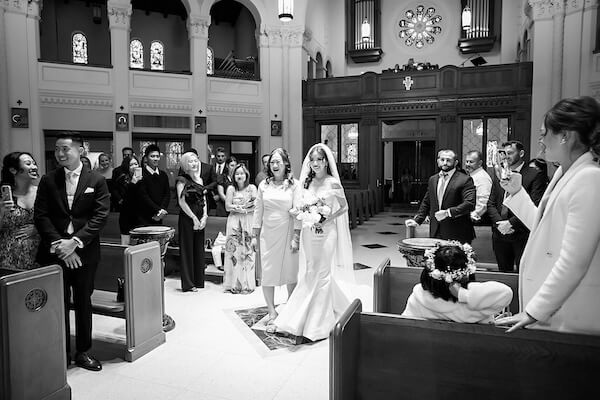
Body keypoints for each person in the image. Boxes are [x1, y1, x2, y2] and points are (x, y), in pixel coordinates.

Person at [494, 96, 600, 335]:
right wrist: (517, 192)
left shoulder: (589, 178)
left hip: (569, 311)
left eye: (544, 134)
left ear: (566, 135)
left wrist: (535, 311)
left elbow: (574, 261)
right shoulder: (564, 172)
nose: (540, 142)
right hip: (552, 307)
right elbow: (544, 229)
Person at [34, 132, 110, 371]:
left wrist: (75, 242)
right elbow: (41, 215)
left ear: (80, 150)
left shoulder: (96, 180)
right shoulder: (48, 180)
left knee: (83, 301)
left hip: (85, 253)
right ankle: (60, 351)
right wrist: (61, 245)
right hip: (55, 253)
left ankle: (83, 352)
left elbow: (100, 216)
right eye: (57, 149)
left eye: (65, 148)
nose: (60, 153)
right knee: (58, 303)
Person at [269, 143, 354, 342]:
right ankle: (303, 314)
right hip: (309, 231)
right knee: (310, 271)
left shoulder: (333, 182)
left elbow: (343, 207)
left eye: (319, 160)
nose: (315, 164)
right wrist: (303, 214)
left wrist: (325, 220)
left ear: (326, 162)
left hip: (327, 232)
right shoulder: (305, 183)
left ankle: (317, 325)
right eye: (313, 160)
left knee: (322, 273)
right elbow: (301, 206)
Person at [402, 242, 513, 323]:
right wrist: (462, 294)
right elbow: (506, 292)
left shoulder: (418, 297)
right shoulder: (476, 305)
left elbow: (404, 325)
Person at [251, 148, 301, 321]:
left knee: (291, 270)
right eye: (272, 162)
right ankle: (271, 310)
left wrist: (296, 237)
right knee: (268, 272)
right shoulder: (263, 185)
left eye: (278, 161)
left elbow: (299, 211)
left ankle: (291, 305)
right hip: (268, 233)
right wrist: (254, 236)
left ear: (286, 163)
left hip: (287, 231)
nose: (274, 165)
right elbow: (258, 211)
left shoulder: (295, 184)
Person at [487, 140, 548, 272]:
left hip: (522, 232)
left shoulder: (534, 174)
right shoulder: (500, 173)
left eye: (510, 153)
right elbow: (491, 203)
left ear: (521, 153)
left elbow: (535, 203)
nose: (506, 156)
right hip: (499, 234)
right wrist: (500, 223)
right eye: (504, 153)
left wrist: (510, 223)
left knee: (524, 272)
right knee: (504, 273)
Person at [405, 149, 476, 244]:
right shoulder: (433, 179)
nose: (445, 163)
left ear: (455, 162)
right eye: (442, 159)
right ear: (438, 161)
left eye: (448, 160)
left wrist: (448, 213)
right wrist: (417, 220)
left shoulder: (465, 180)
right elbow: (427, 201)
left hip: (457, 231)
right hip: (436, 230)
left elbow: (470, 204)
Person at [0, 152, 41, 270]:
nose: (34, 167)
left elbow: (55, 220)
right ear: (13, 170)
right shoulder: (3, 196)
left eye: (34, 163)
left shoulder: (43, 192)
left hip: (39, 258)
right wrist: (2, 212)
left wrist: (38, 228)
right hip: (7, 258)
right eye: (28, 164)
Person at [176, 152, 208, 292]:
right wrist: (194, 218)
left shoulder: (200, 179)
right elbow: (181, 202)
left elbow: (204, 199)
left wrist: (205, 216)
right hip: (188, 218)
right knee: (187, 249)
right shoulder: (181, 180)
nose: (194, 164)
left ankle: (198, 280)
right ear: (185, 164)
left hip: (201, 217)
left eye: (196, 161)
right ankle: (189, 283)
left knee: (198, 249)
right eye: (190, 161)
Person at [223, 164, 257, 293]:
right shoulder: (231, 189)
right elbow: (227, 206)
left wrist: (242, 208)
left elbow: (255, 205)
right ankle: (234, 284)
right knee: (234, 252)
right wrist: (238, 208)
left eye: (242, 173)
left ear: (246, 175)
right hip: (234, 221)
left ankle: (247, 284)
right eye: (237, 174)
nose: (239, 176)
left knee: (248, 251)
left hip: (248, 220)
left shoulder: (252, 188)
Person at [137, 144, 170, 226]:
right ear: (146, 158)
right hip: (144, 214)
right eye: (152, 156)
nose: (155, 159)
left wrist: (162, 211)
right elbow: (143, 196)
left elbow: (167, 194)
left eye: (157, 156)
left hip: (160, 215)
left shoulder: (163, 175)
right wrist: (158, 210)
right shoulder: (141, 174)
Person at [115, 155, 142, 245]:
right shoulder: (122, 179)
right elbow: (125, 198)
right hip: (127, 215)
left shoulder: (143, 178)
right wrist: (133, 183)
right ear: (126, 166)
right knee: (126, 244)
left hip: (140, 215)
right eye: (131, 165)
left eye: (136, 164)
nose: (134, 166)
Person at [464, 150, 492, 224]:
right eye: (467, 161)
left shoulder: (482, 177)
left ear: (480, 163)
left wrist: (473, 215)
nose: (468, 164)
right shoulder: (472, 176)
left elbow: (484, 201)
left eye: (471, 162)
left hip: (478, 220)